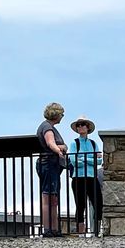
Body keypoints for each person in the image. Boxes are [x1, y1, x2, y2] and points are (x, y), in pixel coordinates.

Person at [36, 102, 68, 237]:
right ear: (56, 114)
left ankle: (54, 229)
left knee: (53, 197)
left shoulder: (48, 126)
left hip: (52, 165)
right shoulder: (47, 127)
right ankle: (48, 229)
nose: (62, 116)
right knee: (47, 196)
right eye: (61, 114)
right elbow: (50, 143)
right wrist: (60, 150)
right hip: (48, 164)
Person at [69, 118, 103, 236]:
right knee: (80, 205)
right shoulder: (74, 143)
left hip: (92, 177)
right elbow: (74, 161)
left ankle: (96, 232)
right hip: (78, 178)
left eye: (83, 124)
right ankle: (81, 233)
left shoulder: (93, 143)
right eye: (78, 125)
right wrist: (91, 158)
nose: (80, 127)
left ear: (87, 127)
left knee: (98, 203)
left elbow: (99, 161)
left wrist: (82, 158)